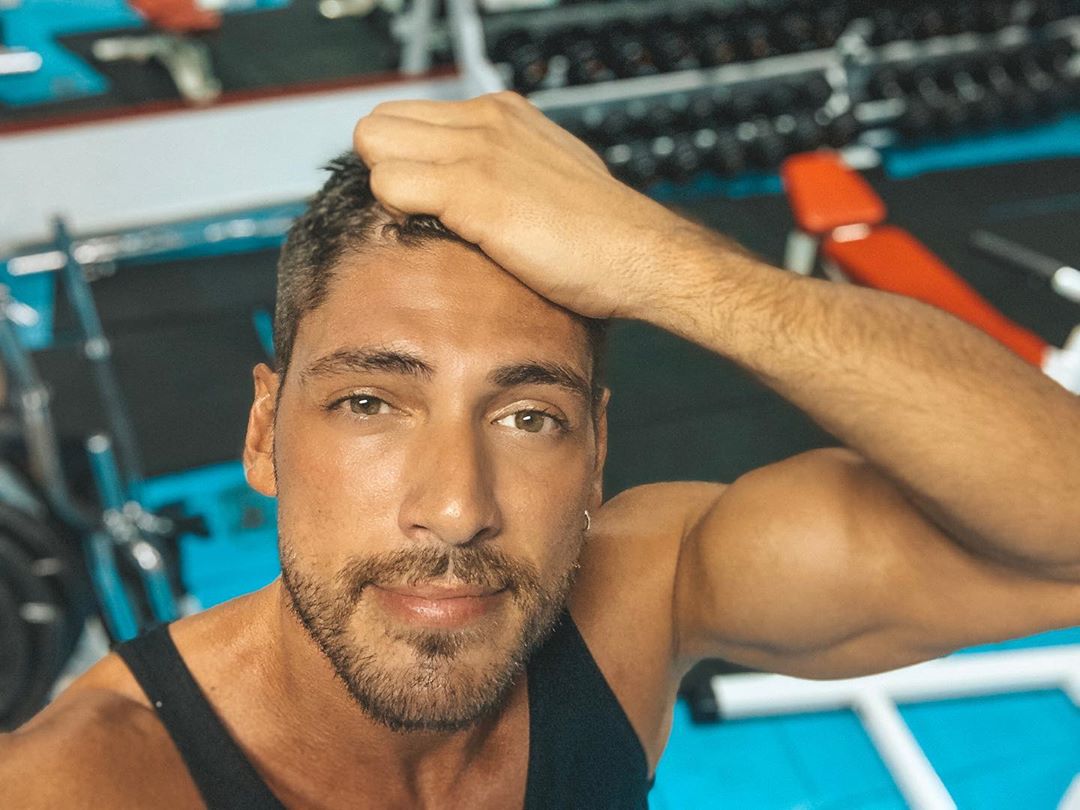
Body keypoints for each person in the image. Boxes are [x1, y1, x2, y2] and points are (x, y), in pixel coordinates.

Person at [2, 91, 1078, 809]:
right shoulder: (92, 781)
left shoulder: (643, 599)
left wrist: (666, 263)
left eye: (528, 417)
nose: (457, 507)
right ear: (262, 435)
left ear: (597, 454)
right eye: (371, 402)